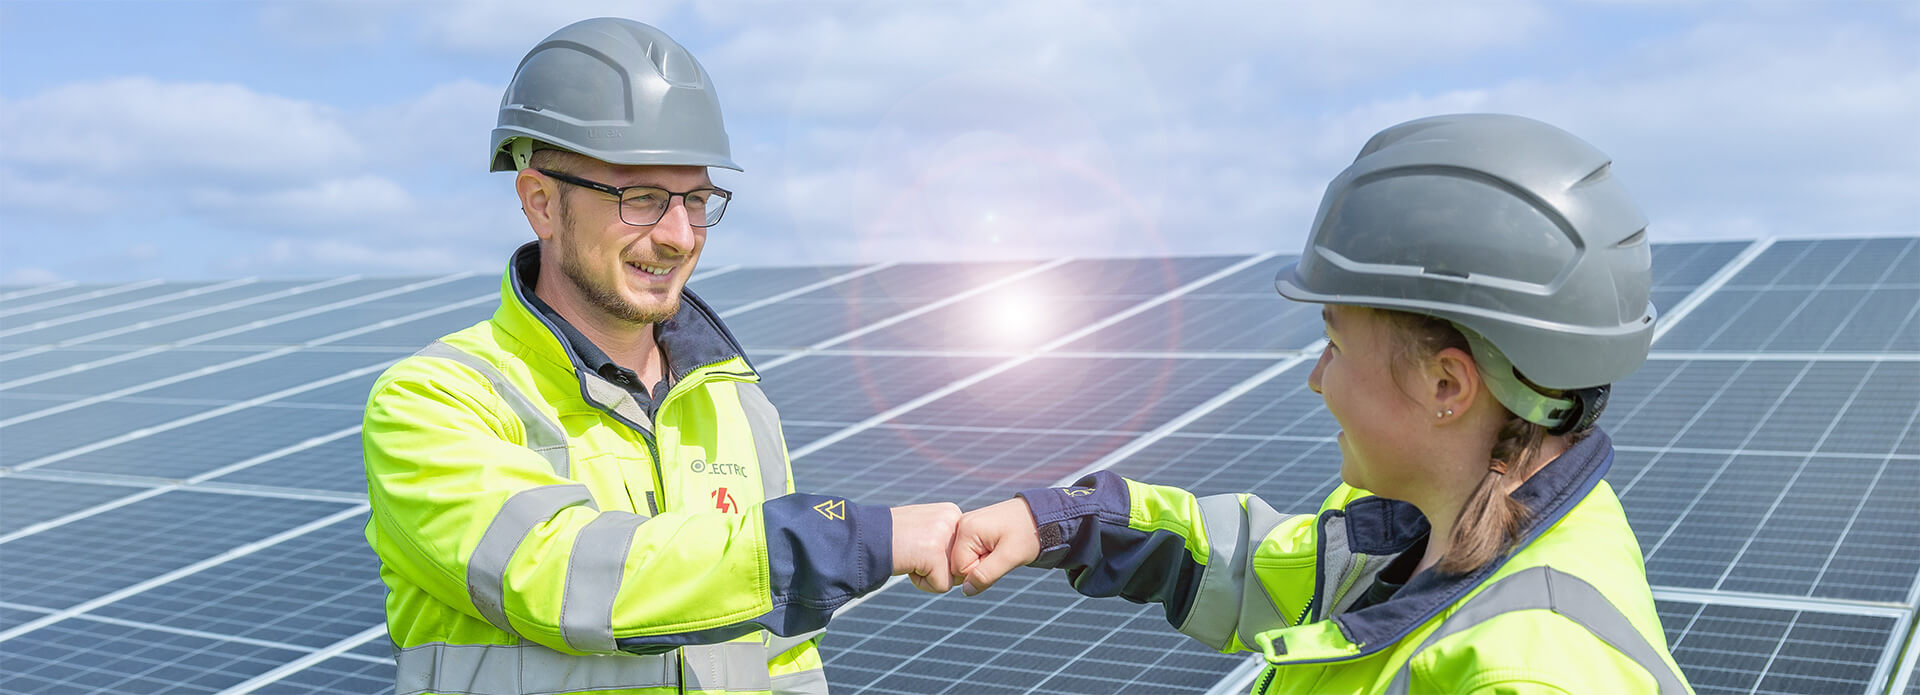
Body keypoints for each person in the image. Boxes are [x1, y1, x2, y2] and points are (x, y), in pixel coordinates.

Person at [948, 114, 1695, 693]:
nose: (1315, 375)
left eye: (1334, 341)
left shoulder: (1526, 672)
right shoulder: (1433, 526)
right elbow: (1252, 565)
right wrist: (1061, 523)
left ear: (1447, 386)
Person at [361, 18, 958, 695]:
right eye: (641, 198)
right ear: (541, 203)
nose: (678, 235)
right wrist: (841, 541)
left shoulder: (735, 403)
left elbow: (783, 653)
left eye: (697, 200)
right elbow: (561, 575)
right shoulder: (434, 400)